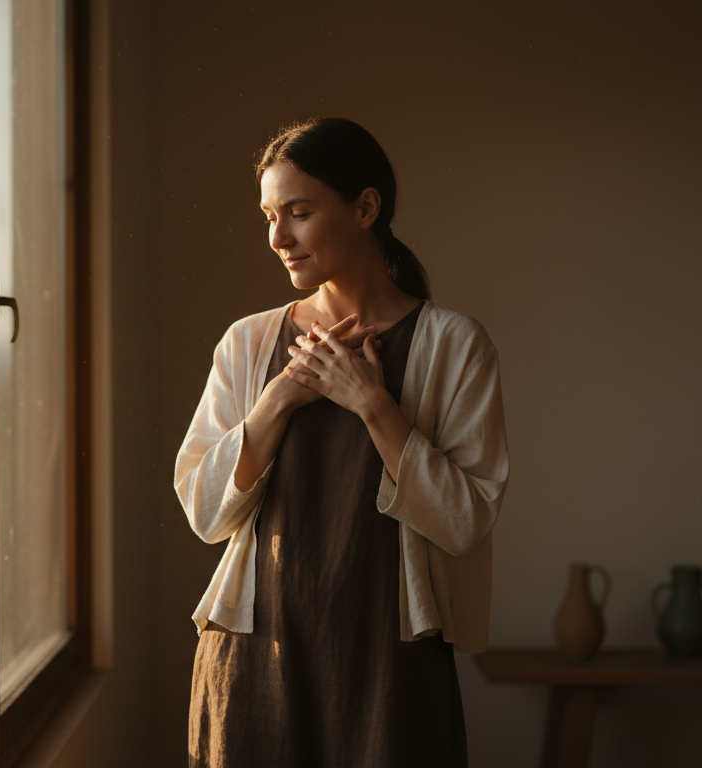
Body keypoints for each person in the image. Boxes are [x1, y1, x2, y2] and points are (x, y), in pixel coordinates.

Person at [175, 118, 510, 767]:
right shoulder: (248, 344)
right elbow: (204, 511)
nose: (278, 239)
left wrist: (372, 404)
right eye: (270, 216)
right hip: (255, 658)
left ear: (365, 207)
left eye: (298, 213)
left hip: (391, 660)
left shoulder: (455, 345)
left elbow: (465, 520)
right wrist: (278, 397)